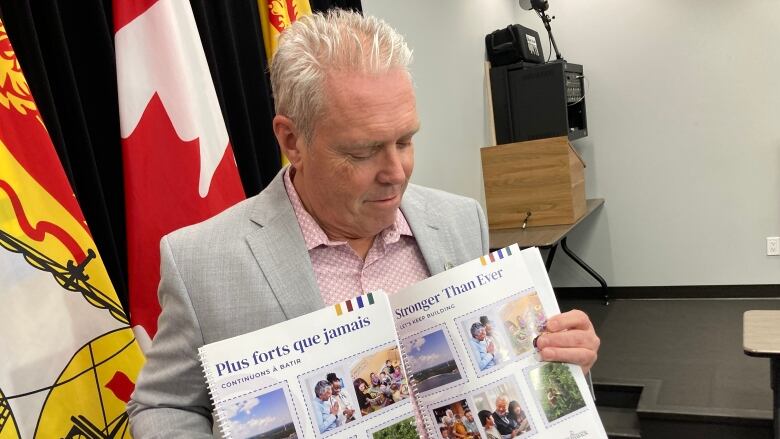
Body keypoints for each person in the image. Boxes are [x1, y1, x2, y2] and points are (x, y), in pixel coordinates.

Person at [126, 10, 600, 437]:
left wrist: (565, 356)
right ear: (292, 140)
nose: (396, 172)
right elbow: (161, 405)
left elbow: (508, 368)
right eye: (362, 151)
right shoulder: (201, 260)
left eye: (406, 140)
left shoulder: (460, 220)